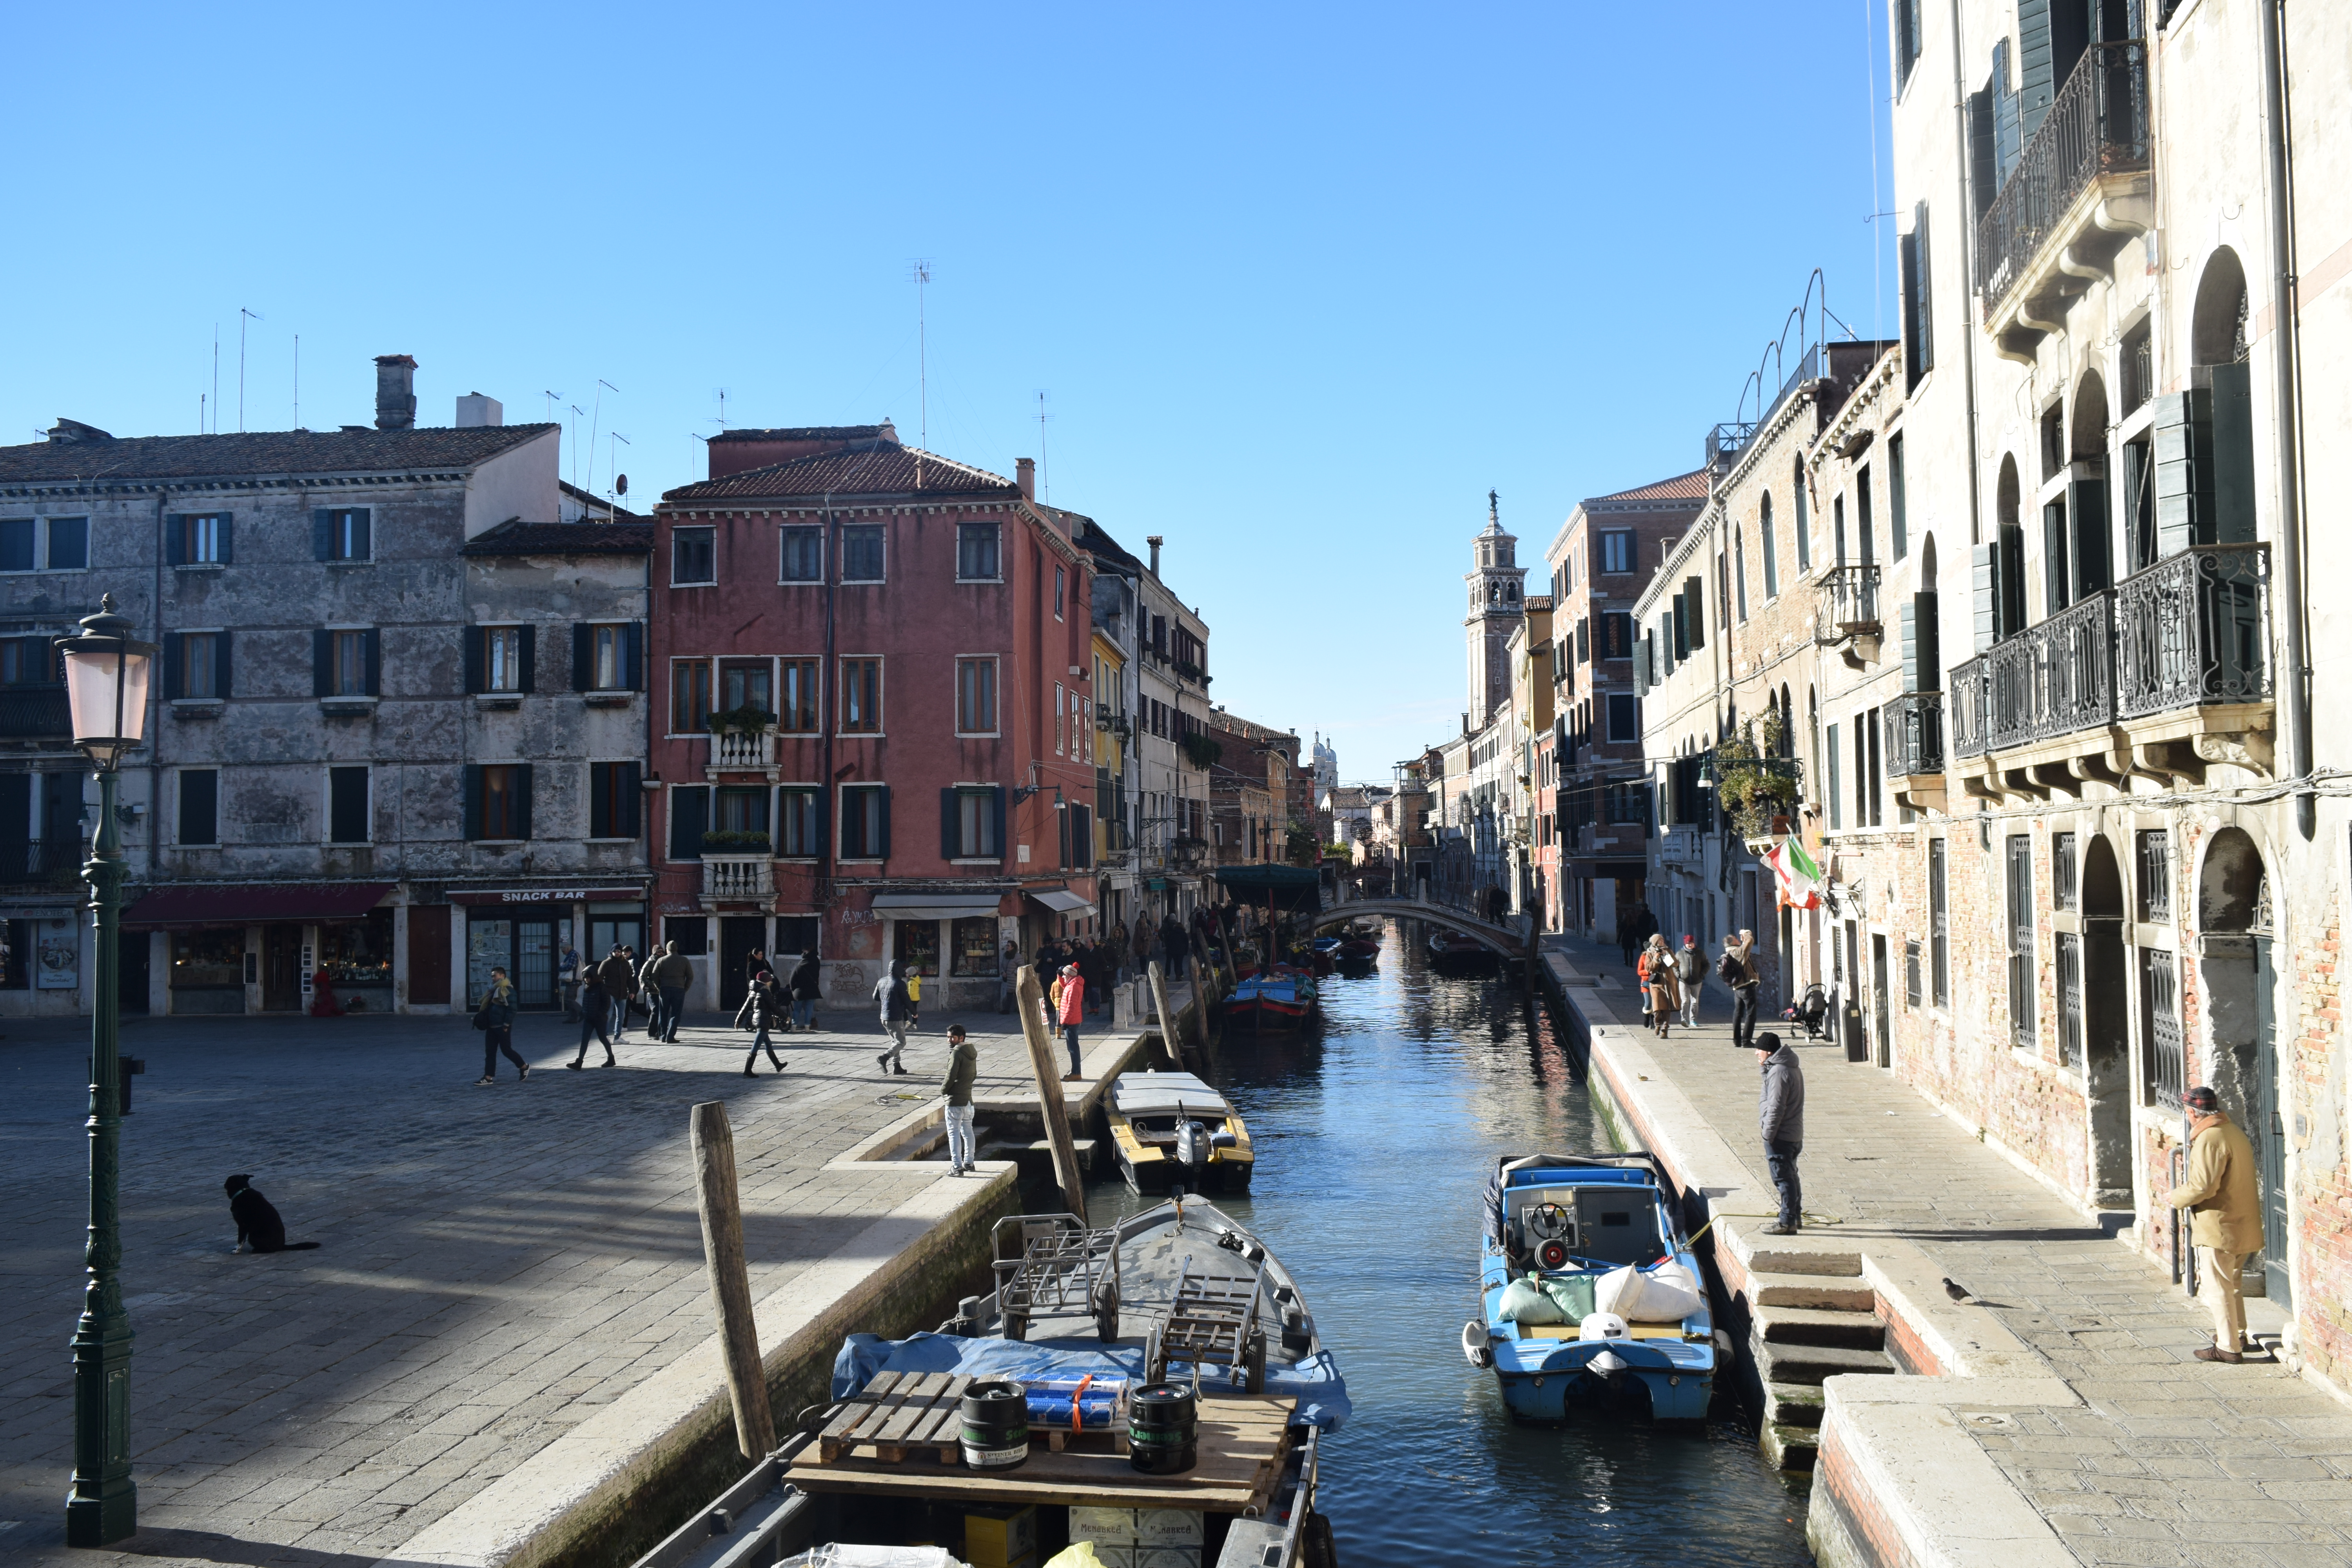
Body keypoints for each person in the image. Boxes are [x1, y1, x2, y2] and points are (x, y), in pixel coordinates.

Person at [2166, 1085, 2264, 1362]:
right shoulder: (2233, 1132)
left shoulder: (2210, 1138)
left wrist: (2175, 1197)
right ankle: (2238, 1335)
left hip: (2218, 1225)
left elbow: (2203, 1187)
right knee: (2232, 1284)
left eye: (2187, 1114)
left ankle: (2228, 1348)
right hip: (2241, 1222)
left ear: (2192, 1114)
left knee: (2217, 1287)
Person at [1756, 1031, 1804, 1234]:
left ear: (1768, 1051)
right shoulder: (1789, 1067)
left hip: (1781, 1134)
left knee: (1783, 1178)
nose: (1756, 1054)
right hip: (1793, 1132)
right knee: (1791, 1176)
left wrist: (1768, 1133)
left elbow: (1776, 1107)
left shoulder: (1778, 1072)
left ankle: (1787, 1222)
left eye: (1759, 1050)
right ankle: (1795, 1216)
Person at [475, 967, 527, 1085]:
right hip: (491, 1026)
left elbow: (512, 1009)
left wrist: (507, 1024)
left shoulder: (509, 991)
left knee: (506, 1051)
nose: (493, 978)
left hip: (502, 1026)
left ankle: (523, 1066)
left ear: (502, 976)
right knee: (490, 1052)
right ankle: (488, 1077)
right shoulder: (493, 990)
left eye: (495, 976)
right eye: (492, 976)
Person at [941, 1023, 979, 1175]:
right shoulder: (971, 1052)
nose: (950, 1040)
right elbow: (974, 1075)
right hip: (969, 1101)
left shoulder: (957, 1054)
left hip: (955, 1101)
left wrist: (943, 1090)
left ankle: (957, 1167)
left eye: (953, 1038)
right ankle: (969, 1163)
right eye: (948, 1037)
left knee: (954, 1133)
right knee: (968, 1132)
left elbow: (950, 1076)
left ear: (961, 1038)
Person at [736, 970, 786, 1076]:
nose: (771, 983)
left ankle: (778, 1065)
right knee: (756, 1046)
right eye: (770, 981)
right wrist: (786, 1017)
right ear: (766, 981)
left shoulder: (754, 991)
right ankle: (748, 1071)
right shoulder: (765, 992)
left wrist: (738, 1020)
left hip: (757, 1020)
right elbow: (774, 1007)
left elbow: (745, 1007)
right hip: (763, 1021)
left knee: (768, 1044)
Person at [1722, 930, 1762, 1049]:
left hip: (1737, 988)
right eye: (1736, 939)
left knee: (1738, 1013)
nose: (1738, 939)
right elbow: (1750, 942)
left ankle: (1737, 1041)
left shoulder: (1731, 953)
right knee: (1751, 1013)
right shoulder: (1737, 952)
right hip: (1746, 986)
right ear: (1732, 943)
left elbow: (1745, 945)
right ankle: (1747, 1041)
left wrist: (1743, 940)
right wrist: (1747, 933)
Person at [874, 960, 913, 1076]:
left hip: (884, 1017)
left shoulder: (881, 981)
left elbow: (875, 997)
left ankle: (897, 1066)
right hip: (895, 1017)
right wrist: (914, 1013)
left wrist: (887, 998)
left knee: (895, 1042)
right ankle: (885, 1057)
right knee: (901, 1042)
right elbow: (907, 1001)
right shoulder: (900, 983)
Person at [569, 965, 613, 1069]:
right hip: (589, 1018)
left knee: (603, 1039)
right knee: (585, 1040)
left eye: (588, 978)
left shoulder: (601, 987)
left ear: (593, 977)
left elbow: (607, 1003)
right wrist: (584, 1013)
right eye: (585, 978)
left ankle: (611, 1059)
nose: (586, 980)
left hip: (599, 1019)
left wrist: (600, 1014)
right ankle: (579, 1062)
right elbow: (586, 1002)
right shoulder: (587, 987)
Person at [1639, 933, 1680, 1040]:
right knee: (1657, 1007)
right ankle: (1657, 1024)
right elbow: (1649, 969)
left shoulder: (1668, 950)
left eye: (1662, 940)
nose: (1662, 942)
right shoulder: (1649, 953)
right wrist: (1656, 959)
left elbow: (1675, 964)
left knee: (1667, 1007)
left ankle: (1665, 1030)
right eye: (1660, 941)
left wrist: (1666, 955)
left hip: (1669, 982)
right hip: (1656, 984)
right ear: (1655, 942)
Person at [595, 946, 637, 1049]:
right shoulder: (606, 963)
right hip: (610, 992)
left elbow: (630, 979)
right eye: (616, 951)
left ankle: (617, 1037)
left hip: (622, 993)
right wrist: (601, 991)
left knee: (621, 1016)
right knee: (608, 1015)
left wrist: (632, 991)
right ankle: (605, 1037)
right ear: (612, 952)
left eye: (619, 951)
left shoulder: (625, 963)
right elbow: (599, 978)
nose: (618, 953)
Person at [652, 940, 694, 1043]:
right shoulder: (684, 960)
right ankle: (670, 1036)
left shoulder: (661, 960)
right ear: (676, 949)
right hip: (679, 989)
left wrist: (659, 987)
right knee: (676, 1014)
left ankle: (663, 1036)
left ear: (667, 950)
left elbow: (654, 976)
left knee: (663, 1013)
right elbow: (690, 976)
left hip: (665, 989)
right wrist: (685, 988)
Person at [1050, 961, 1086, 1081]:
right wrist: (1059, 976)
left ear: (1070, 976)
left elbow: (1071, 1006)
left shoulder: (1074, 987)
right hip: (1072, 1020)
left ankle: (1076, 1073)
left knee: (1073, 1048)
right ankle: (1075, 1071)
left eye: (1065, 975)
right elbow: (1063, 985)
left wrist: (1064, 1022)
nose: (1064, 977)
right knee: (1073, 1047)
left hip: (1071, 1021)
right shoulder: (1072, 984)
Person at [1675, 934, 1707, 1030]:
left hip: (1697, 982)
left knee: (1695, 1002)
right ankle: (1684, 1019)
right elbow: (1674, 966)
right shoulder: (1680, 954)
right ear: (1685, 944)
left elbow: (1707, 965)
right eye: (1689, 943)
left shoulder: (1700, 953)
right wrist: (1679, 975)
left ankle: (1693, 1020)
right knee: (1685, 1001)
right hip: (1684, 982)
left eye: (1692, 943)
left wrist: (1701, 975)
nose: (1690, 945)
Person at [788, 949, 822, 1031]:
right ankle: (807, 1027)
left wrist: (793, 990)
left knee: (797, 1010)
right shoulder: (814, 967)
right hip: (812, 991)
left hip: (799, 992)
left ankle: (794, 1027)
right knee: (809, 1009)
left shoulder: (799, 967)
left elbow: (792, 980)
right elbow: (817, 978)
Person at [558, 940, 583, 1022]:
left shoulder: (573, 954)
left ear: (568, 949)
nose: (563, 952)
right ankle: (573, 1018)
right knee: (571, 999)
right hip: (573, 981)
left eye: (563, 950)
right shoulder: (572, 954)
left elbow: (571, 966)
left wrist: (561, 969)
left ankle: (582, 1012)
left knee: (569, 999)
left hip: (573, 981)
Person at [1161, 915, 1189, 981]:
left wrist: (1167, 945)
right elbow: (1186, 943)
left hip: (1171, 950)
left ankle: (1168, 975)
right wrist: (1186, 951)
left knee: (1170, 962)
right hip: (1181, 951)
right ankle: (1178, 975)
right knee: (1179, 963)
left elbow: (1168, 940)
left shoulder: (1171, 933)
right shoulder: (1184, 933)